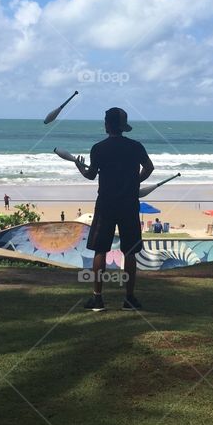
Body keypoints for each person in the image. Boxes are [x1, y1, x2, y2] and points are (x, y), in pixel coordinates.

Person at [76, 107, 154, 312]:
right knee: (130, 252)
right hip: (128, 204)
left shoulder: (98, 148)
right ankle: (129, 299)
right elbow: (149, 168)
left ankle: (97, 298)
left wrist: (79, 167)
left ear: (107, 125)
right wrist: (134, 182)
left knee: (100, 250)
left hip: (106, 205)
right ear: (123, 127)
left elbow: (91, 176)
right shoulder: (136, 147)